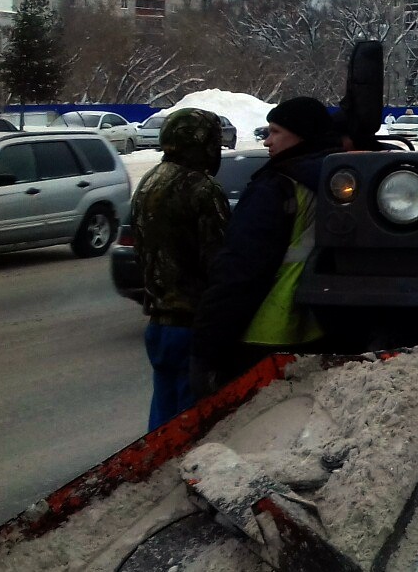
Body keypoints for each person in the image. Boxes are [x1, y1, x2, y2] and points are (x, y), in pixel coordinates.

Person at [192, 96, 336, 394]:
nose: (267, 141)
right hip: (319, 326)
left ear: (302, 134)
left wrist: (208, 348)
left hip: (265, 332)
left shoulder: (276, 187)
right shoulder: (340, 181)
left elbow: (239, 269)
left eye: (275, 132)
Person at [133, 109, 231, 430]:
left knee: (160, 421)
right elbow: (219, 264)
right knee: (189, 427)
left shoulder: (149, 181)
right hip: (190, 325)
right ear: (202, 143)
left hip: (157, 323)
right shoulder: (202, 188)